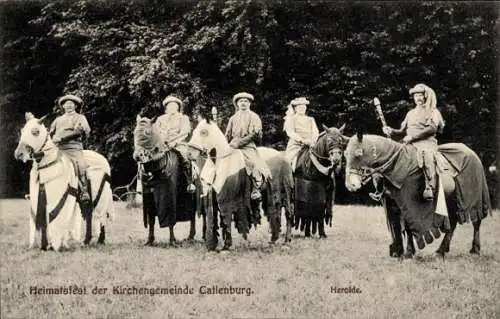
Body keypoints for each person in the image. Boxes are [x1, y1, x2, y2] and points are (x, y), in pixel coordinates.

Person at [383, 83, 445, 200]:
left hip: (426, 143)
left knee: (427, 155)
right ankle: (391, 187)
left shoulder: (433, 111)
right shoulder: (410, 113)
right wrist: (391, 130)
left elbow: (432, 129)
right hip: (410, 143)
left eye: (420, 95)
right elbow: (402, 131)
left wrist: (412, 137)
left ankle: (430, 187)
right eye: (416, 96)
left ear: (425, 96)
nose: (418, 98)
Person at [225, 92, 271, 201]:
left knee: (254, 163)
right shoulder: (233, 118)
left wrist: (239, 143)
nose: (243, 103)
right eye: (241, 101)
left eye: (246, 101)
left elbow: (253, 134)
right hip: (233, 145)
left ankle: (256, 188)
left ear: (249, 103)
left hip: (248, 146)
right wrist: (225, 145)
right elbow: (227, 134)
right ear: (237, 104)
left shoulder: (254, 117)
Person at [49, 94, 91, 205]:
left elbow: (79, 132)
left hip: (74, 148)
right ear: (63, 107)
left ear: (75, 106)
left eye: (71, 104)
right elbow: (50, 133)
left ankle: (84, 191)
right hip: (59, 149)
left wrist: (61, 138)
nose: (69, 106)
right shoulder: (58, 120)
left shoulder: (80, 118)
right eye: (66, 104)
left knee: (81, 166)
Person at [155, 95, 196, 193]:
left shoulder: (183, 118)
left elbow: (185, 132)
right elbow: (155, 132)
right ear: (166, 107)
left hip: (178, 143)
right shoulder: (160, 119)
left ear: (178, 107)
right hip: (163, 144)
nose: (172, 108)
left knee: (185, 157)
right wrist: (161, 138)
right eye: (169, 106)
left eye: (174, 105)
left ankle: (189, 181)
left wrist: (175, 142)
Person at [284, 97, 320, 172]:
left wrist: (312, 141)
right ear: (295, 108)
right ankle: (290, 177)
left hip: (310, 145)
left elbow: (315, 132)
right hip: (296, 145)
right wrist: (302, 140)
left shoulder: (310, 119)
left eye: (304, 107)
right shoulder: (291, 118)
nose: (302, 109)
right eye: (300, 107)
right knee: (288, 162)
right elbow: (290, 132)